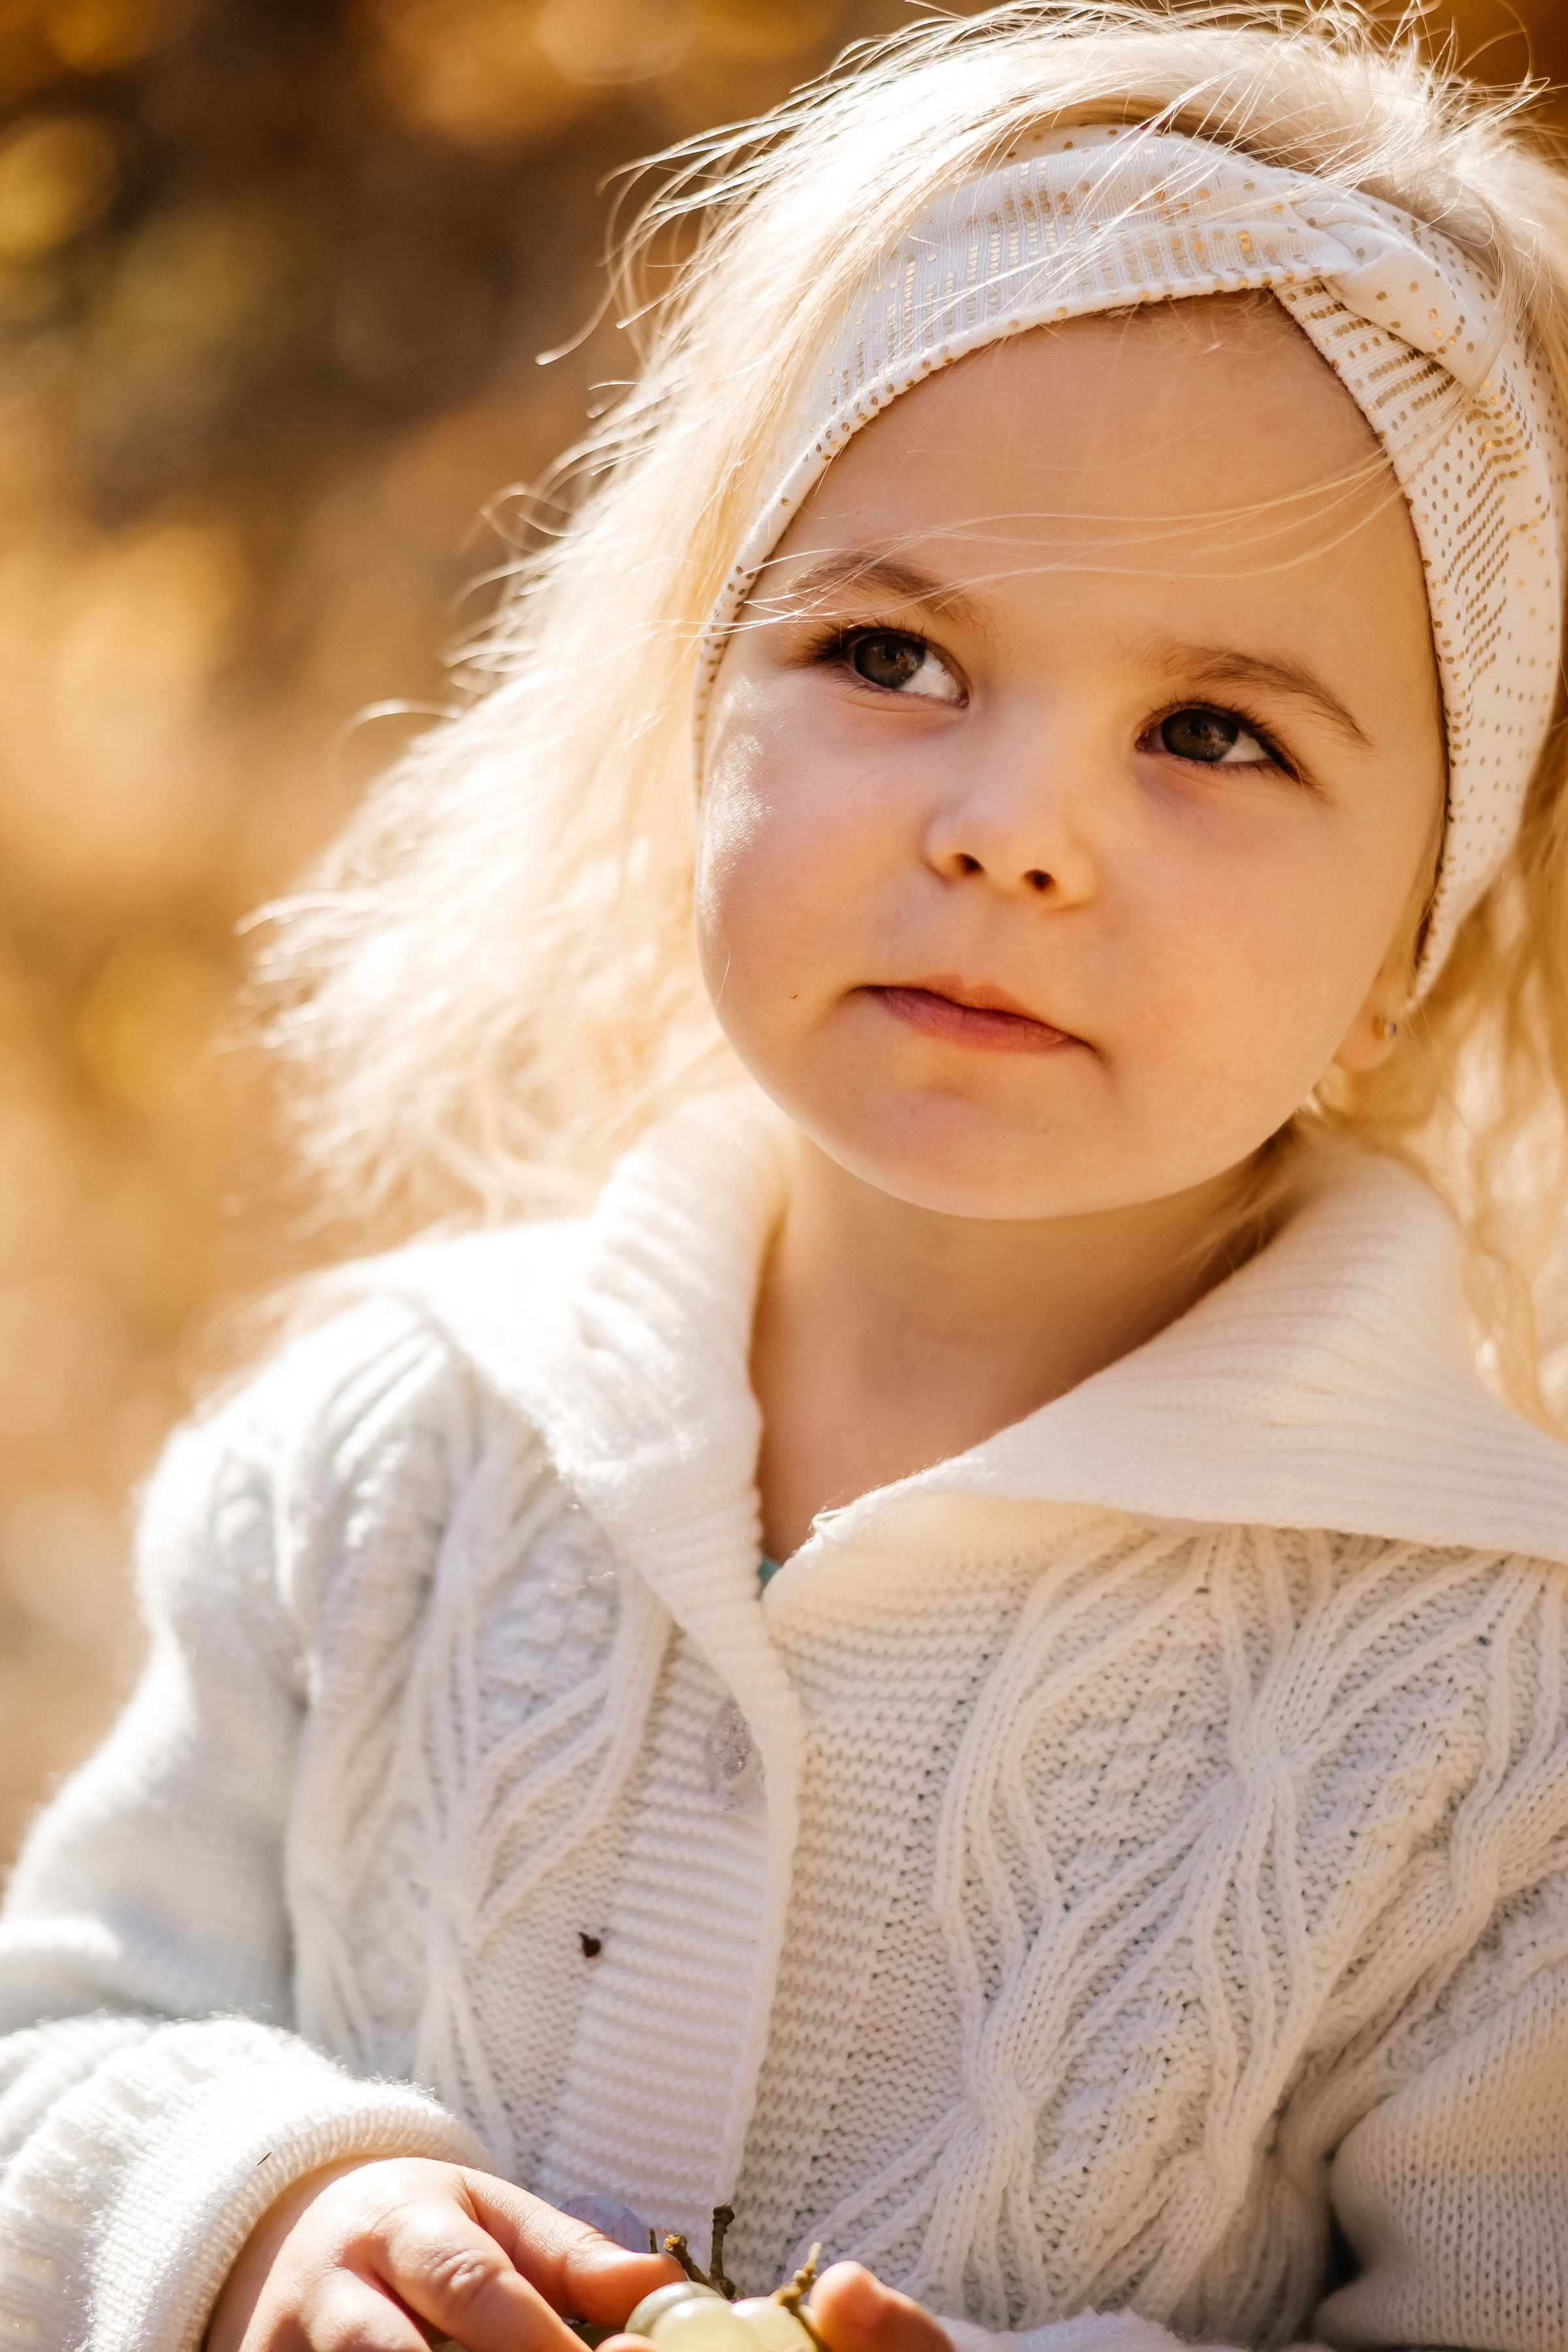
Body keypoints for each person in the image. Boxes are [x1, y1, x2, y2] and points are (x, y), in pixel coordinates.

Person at [5, 5, 1568, 2347]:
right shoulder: (384, 1456)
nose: (1012, 828)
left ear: (1406, 948)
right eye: (895, 653)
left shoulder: (1492, 1703)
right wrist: (256, 2219)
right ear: (697, 697)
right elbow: (62, 2042)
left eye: (1213, 733)